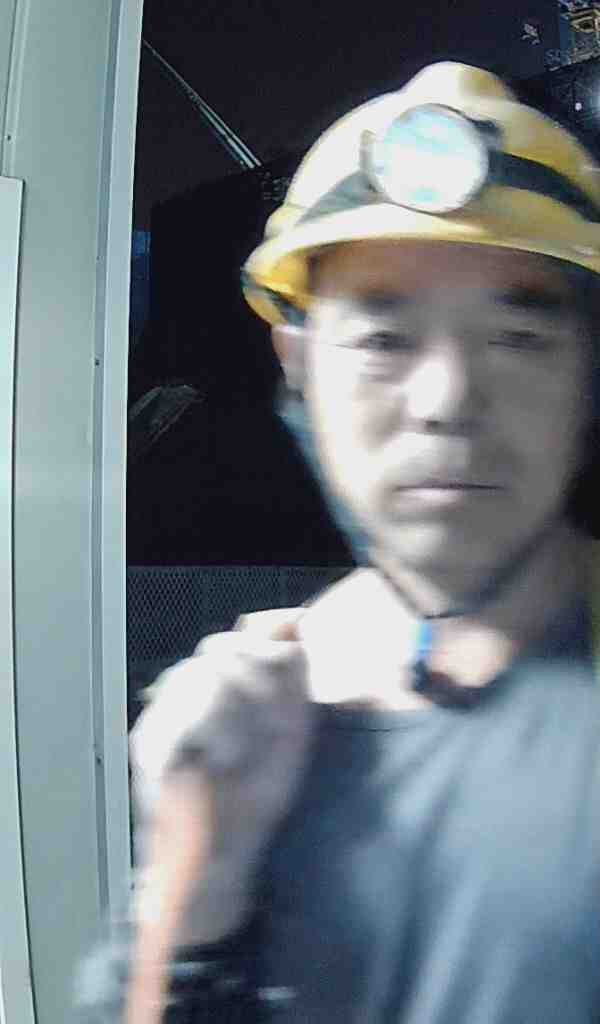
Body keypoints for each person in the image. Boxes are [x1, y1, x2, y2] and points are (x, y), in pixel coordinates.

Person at [74, 61, 600, 1022]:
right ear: (298, 362)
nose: (448, 401)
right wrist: (201, 891)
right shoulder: (245, 727)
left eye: (518, 337)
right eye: (385, 339)